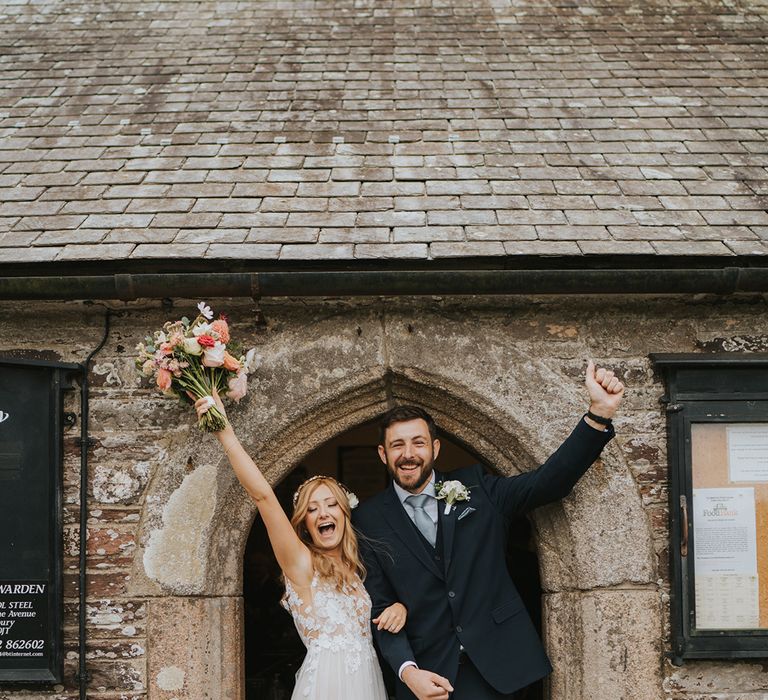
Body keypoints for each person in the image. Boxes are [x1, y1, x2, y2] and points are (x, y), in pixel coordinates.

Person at [353, 360, 625, 700]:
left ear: (435, 449)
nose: (409, 454)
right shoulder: (367, 519)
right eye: (397, 445)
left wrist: (598, 415)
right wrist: (409, 673)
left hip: (500, 669)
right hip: (428, 676)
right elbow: (379, 608)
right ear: (383, 454)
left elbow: (548, 483)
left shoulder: (477, 488)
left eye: (418, 443)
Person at [194, 391, 407, 700]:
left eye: (332, 504)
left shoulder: (359, 567)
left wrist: (399, 608)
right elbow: (263, 496)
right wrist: (224, 431)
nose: (323, 513)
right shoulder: (301, 564)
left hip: (368, 684)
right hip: (325, 687)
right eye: (312, 508)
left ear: (344, 515)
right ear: (304, 522)